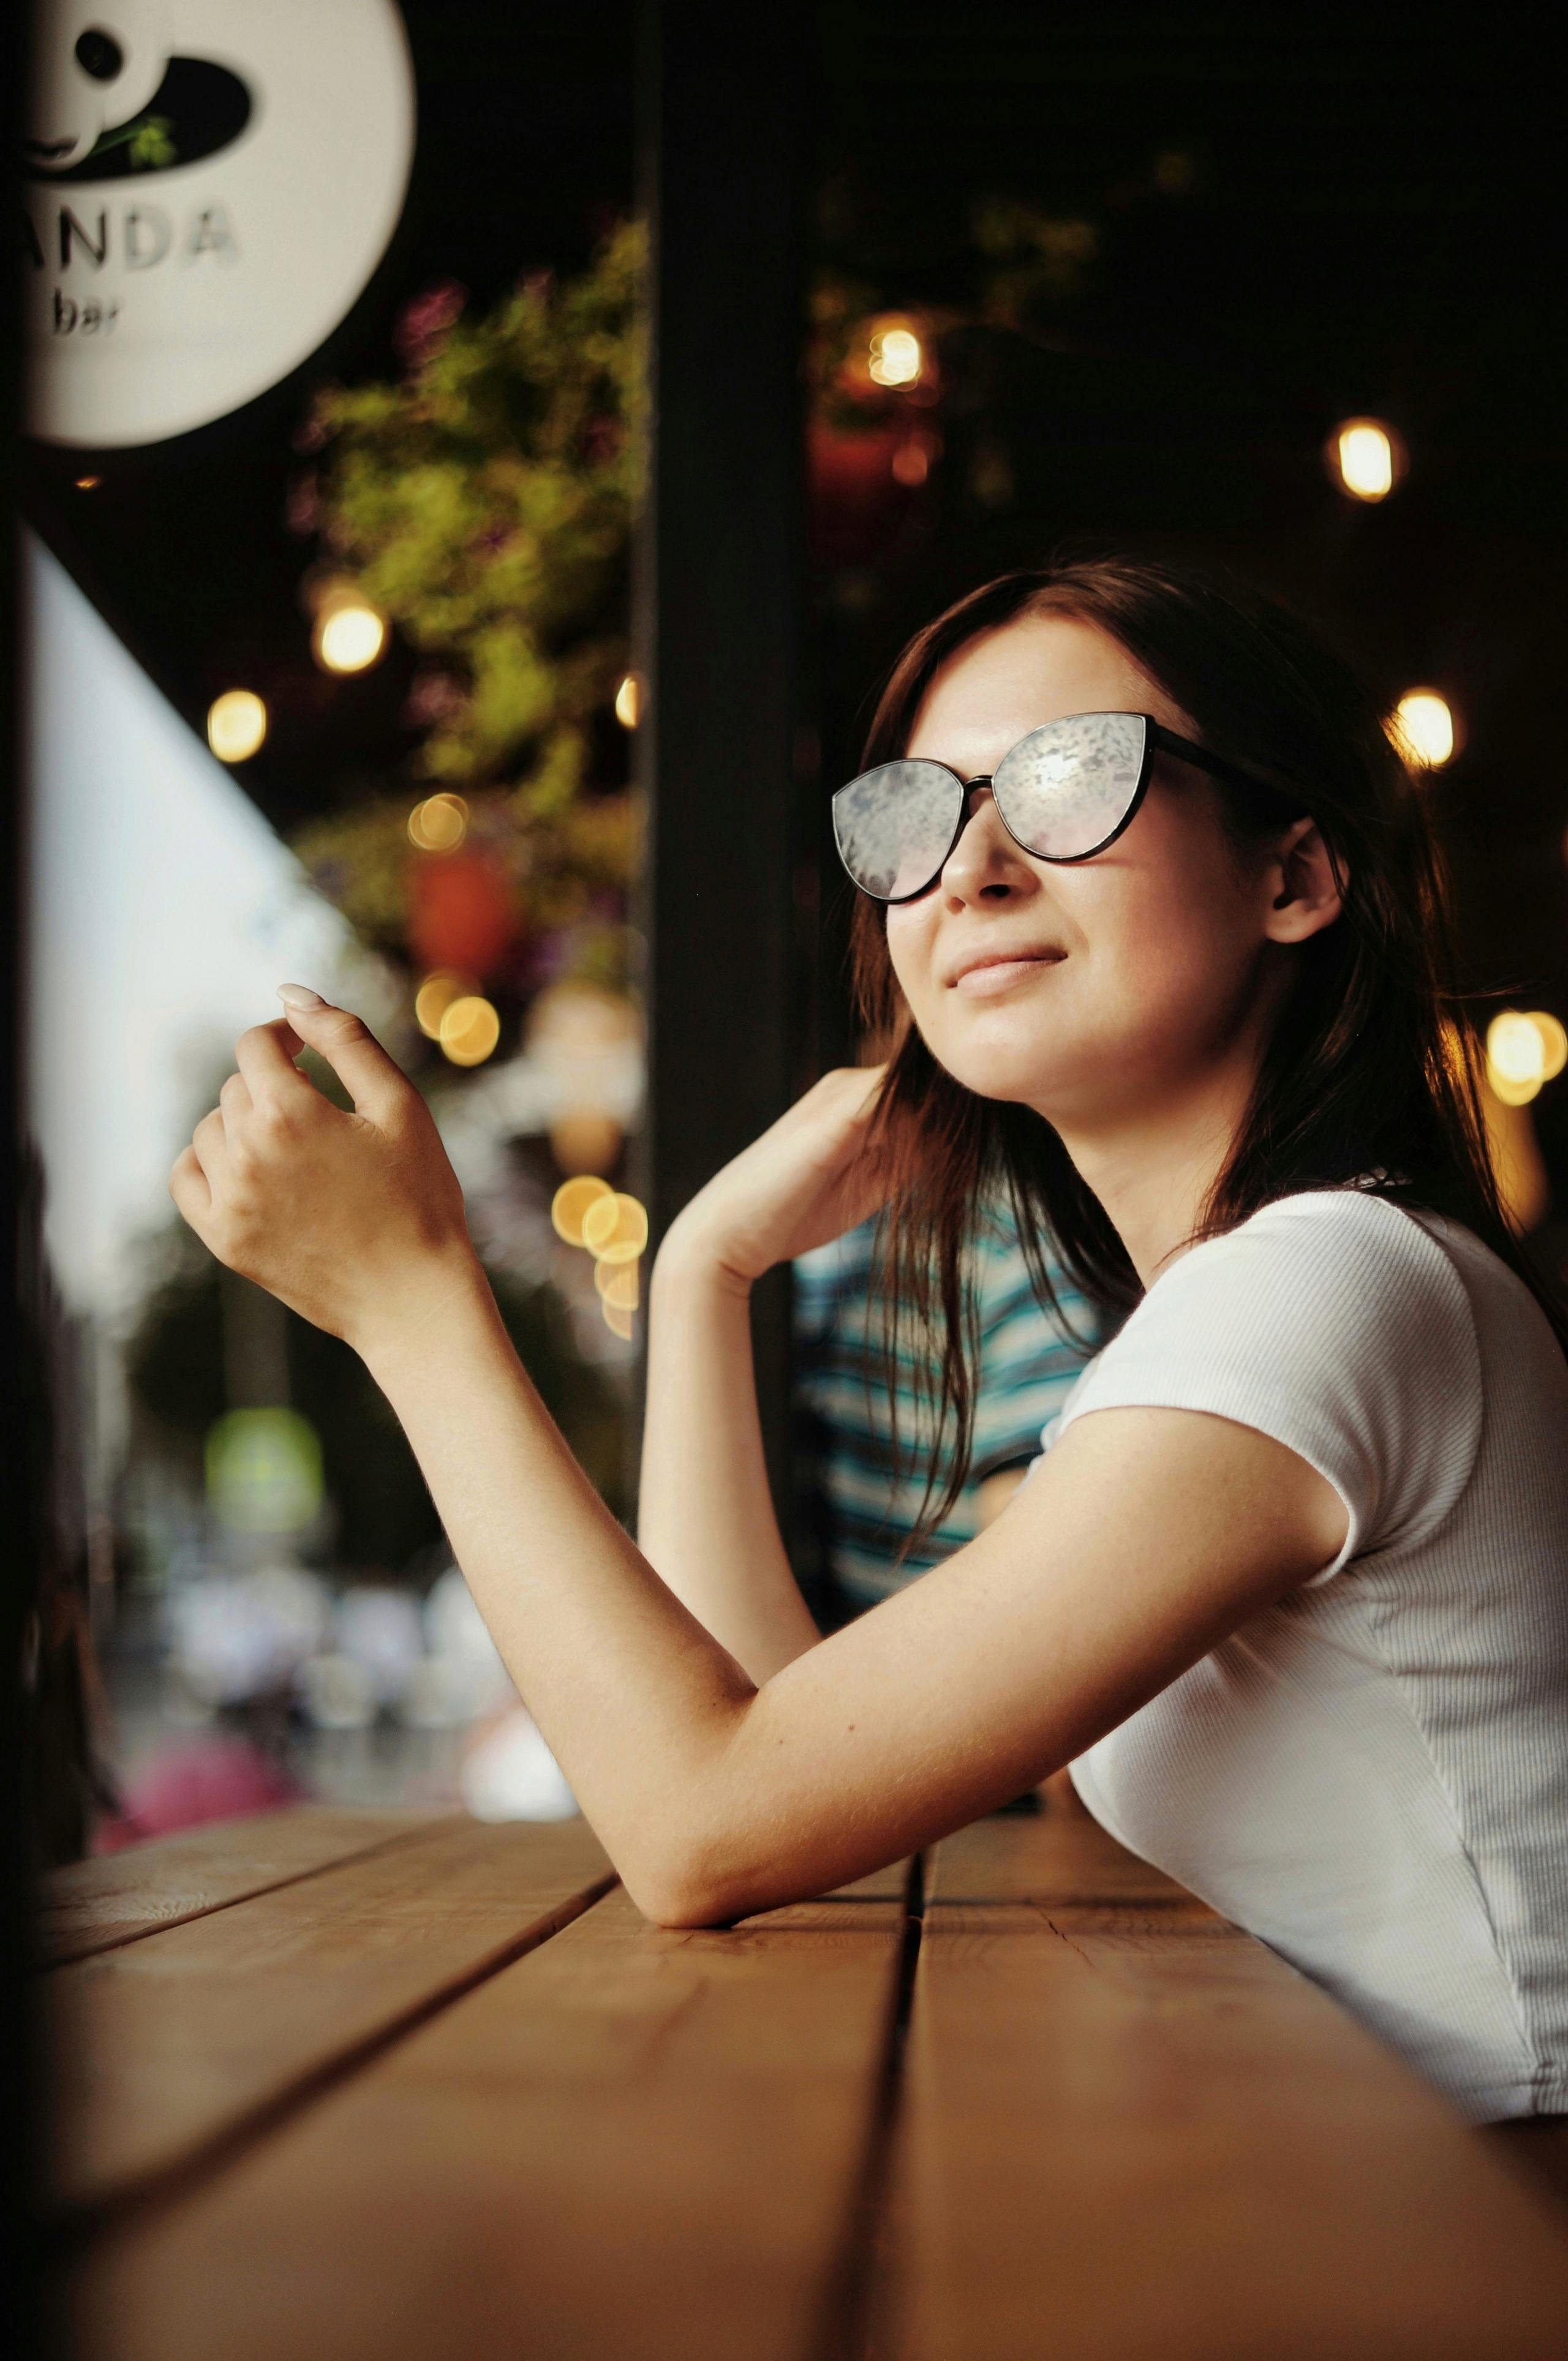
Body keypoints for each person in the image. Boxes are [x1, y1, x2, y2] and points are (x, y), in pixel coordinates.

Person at [171, 554, 1568, 2128]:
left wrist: (413, 1309)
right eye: (914, 810)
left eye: (1068, 776)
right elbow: (783, 1752)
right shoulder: (1212, 1317)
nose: (966, 866)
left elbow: (702, 1823)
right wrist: (706, 1267)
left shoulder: (1318, 1294)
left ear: (1293, 877)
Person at [793, 1200, 1093, 1611]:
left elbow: (1028, 1594)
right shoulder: (810, 1242)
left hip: (930, 1655)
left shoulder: (1008, 1248)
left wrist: (706, 1266)